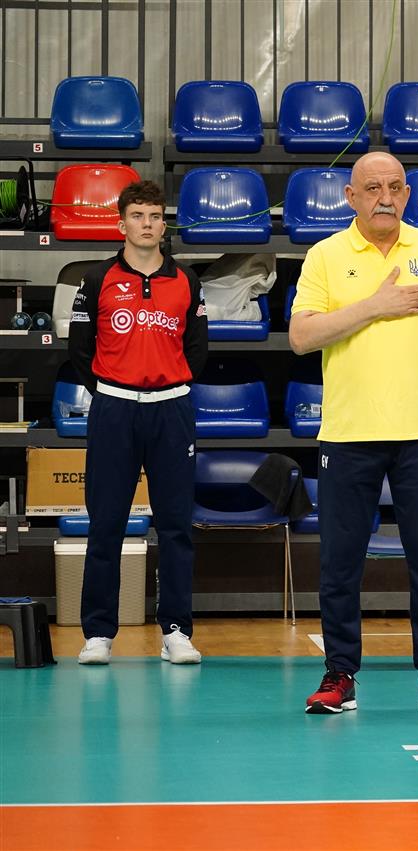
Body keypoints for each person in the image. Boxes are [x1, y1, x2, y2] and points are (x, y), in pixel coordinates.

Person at [290, 151, 418, 715]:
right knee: (339, 562)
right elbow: (301, 336)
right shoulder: (325, 256)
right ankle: (339, 673)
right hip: (348, 433)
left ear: (408, 195)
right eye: (372, 188)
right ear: (351, 197)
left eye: (395, 187)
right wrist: (375, 305)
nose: (385, 198)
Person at [69, 179, 207, 665]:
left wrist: (169, 386)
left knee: (175, 526)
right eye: (138, 216)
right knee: (106, 523)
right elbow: (80, 350)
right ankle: (98, 633)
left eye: (154, 216)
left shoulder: (186, 280)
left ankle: (176, 631)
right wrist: (114, 391)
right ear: (121, 223)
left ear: (163, 224)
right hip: (114, 410)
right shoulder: (97, 279)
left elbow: (197, 349)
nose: (147, 224)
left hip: (172, 411)